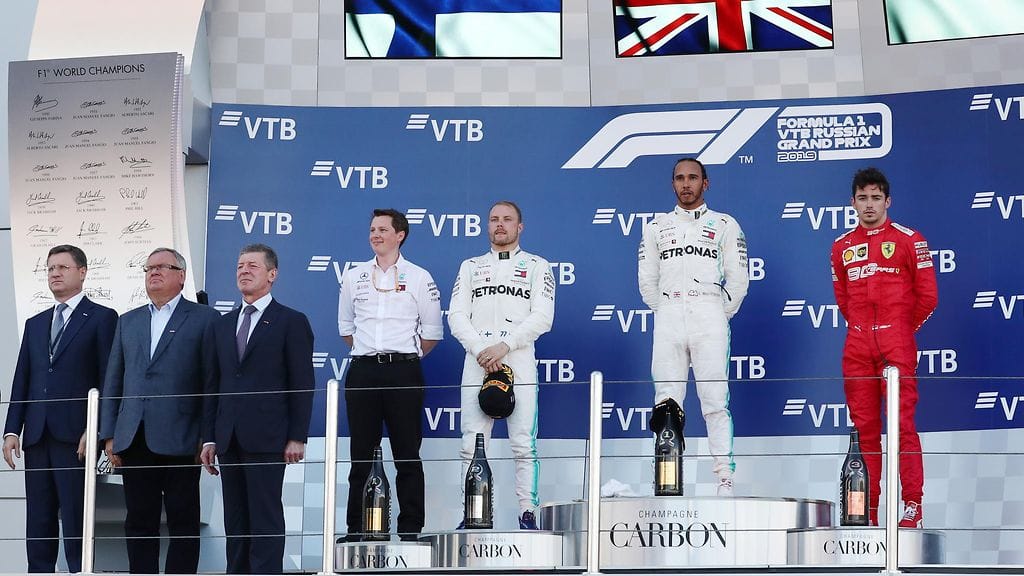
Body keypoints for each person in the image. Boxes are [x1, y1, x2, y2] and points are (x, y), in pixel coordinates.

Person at [100, 248, 219, 574]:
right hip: (135, 436)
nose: (153, 272)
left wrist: (207, 435)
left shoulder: (205, 319)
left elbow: (212, 381)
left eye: (162, 267)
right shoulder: (128, 321)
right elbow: (114, 381)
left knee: (183, 519)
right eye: (149, 268)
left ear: (181, 276)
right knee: (139, 520)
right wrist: (109, 434)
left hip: (183, 438)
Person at [830, 167, 938, 528]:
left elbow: (928, 297)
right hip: (857, 345)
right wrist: (865, 329)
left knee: (902, 426)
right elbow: (843, 299)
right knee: (864, 431)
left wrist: (900, 330)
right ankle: (868, 512)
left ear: (887, 201)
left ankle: (913, 506)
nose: (869, 205)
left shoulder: (909, 239)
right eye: (863, 198)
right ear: (853, 202)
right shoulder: (841, 247)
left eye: (876, 198)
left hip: (896, 343)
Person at [638, 157, 749, 497]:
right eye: (680, 178)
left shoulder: (725, 224)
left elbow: (738, 280)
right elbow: (647, 282)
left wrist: (715, 311)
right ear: (673, 184)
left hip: (708, 314)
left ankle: (724, 478)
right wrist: (669, 308)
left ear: (706, 183)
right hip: (669, 313)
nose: (686, 184)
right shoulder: (656, 227)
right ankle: (668, 476)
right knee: (666, 401)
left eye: (693, 178)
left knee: (715, 401)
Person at [200, 244, 314, 573]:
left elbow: (302, 383)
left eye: (252, 265)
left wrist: (297, 436)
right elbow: (212, 385)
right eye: (240, 266)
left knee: (265, 517)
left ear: (272, 274)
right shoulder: (221, 325)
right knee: (235, 520)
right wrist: (209, 438)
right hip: (228, 438)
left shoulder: (291, 321)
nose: (244, 271)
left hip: (268, 436)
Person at [3, 245, 117, 573]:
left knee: (76, 516)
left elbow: (109, 379)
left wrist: (96, 429)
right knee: (38, 518)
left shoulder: (102, 318)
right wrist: (12, 430)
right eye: (51, 268)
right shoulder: (36, 323)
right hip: (37, 435)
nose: (55, 273)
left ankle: (80, 571)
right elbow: (23, 379)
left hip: (76, 438)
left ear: (82, 272)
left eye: (62, 267)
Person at [448, 201, 555, 530]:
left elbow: (543, 316)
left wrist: (505, 345)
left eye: (507, 219)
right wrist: (481, 349)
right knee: (472, 441)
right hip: (478, 359)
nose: (500, 224)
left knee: (523, 442)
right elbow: (456, 315)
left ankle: (527, 513)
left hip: (517, 357)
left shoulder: (537, 266)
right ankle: (473, 513)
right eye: (494, 219)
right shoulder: (471, 266)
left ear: (519, 227)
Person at [338, 209, 443, 541]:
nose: (375, 235)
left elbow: (432, 333)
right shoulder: (353, 276)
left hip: (404, 372)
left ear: (400, 235)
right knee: (360, 457)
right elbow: (346, 328)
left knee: (407, 455)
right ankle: (357, 529)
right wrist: (373, 354)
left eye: (383, 229)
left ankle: (410, 530)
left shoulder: (420, 277)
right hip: (363, 371)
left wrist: (401, 358)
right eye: (372, 229)